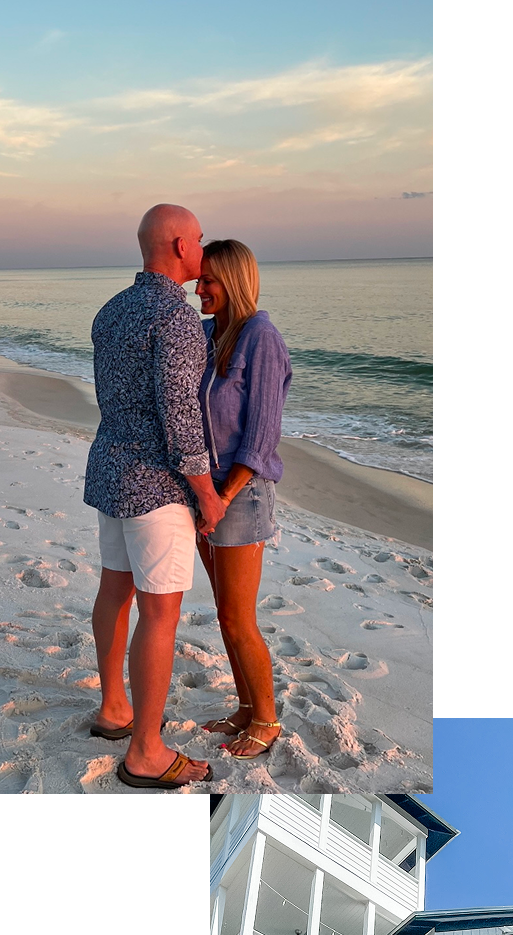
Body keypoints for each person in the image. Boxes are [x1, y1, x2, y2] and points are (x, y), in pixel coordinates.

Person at [84, 201, 223, 788]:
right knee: (160, 612)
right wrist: (207, 495)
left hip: (111, 469)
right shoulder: (176, 318)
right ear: (177, 246)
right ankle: (145, 750)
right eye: (196, 239)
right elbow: (181, 418)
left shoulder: (110, 311)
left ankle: (114, 707)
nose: (200, 247)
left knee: (114, 590)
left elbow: (116, 397)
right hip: (158, 485)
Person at [195, 240, 292, 759]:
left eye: (209, 280)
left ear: (233, 280)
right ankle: (246, 708)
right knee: (224, 611)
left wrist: (221, 496)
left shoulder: (262, 337)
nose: (198, 288)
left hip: (240, 494)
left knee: (238, 616)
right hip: (206, 493)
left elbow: (261, 435)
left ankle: (269, 719)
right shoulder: (211, 334)